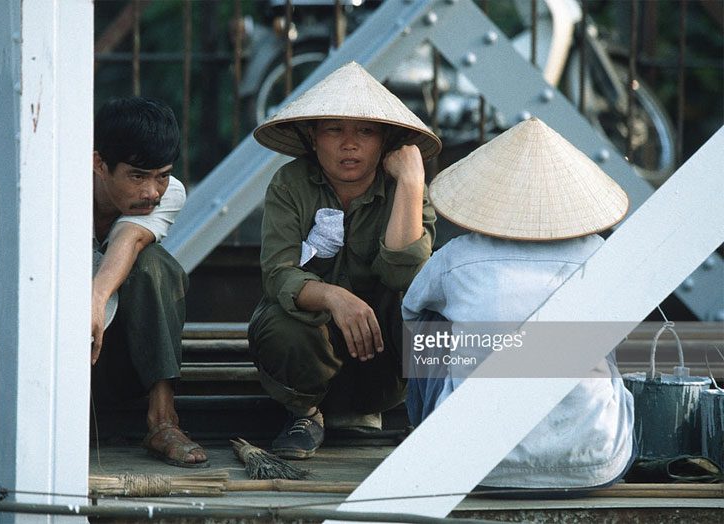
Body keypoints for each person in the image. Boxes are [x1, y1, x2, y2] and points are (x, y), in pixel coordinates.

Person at [403, 117, 635, 491]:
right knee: (600, 338)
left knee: (431, 325)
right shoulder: (600, 253)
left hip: (467, 464)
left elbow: (412, 313)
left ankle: (428, 437)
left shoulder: (457, 256)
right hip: (593, 462)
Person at [248, 61, 442, 459]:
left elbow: (404, 273)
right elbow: (279, 275)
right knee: (278, 319)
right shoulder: (290, 184)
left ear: (385, 142)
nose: (349, 144)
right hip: (313, 356)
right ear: (313, 136)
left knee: (426, 307)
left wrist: (409, 181)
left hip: (384, 365)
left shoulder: (406, 188)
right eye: (334, 130)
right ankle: (305, 415)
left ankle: (426, 417)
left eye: (366, 132)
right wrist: (334, 297)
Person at [90, 96, 207, 468]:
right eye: (137, 176)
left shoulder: (169, 194)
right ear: (99, 164)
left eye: (162, 174)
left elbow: (129, 240)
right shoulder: (56, 193)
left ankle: (162, 421)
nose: (152, 192)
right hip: (63, 364)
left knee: (153, 264)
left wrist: (95, 298)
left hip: (127, 361)